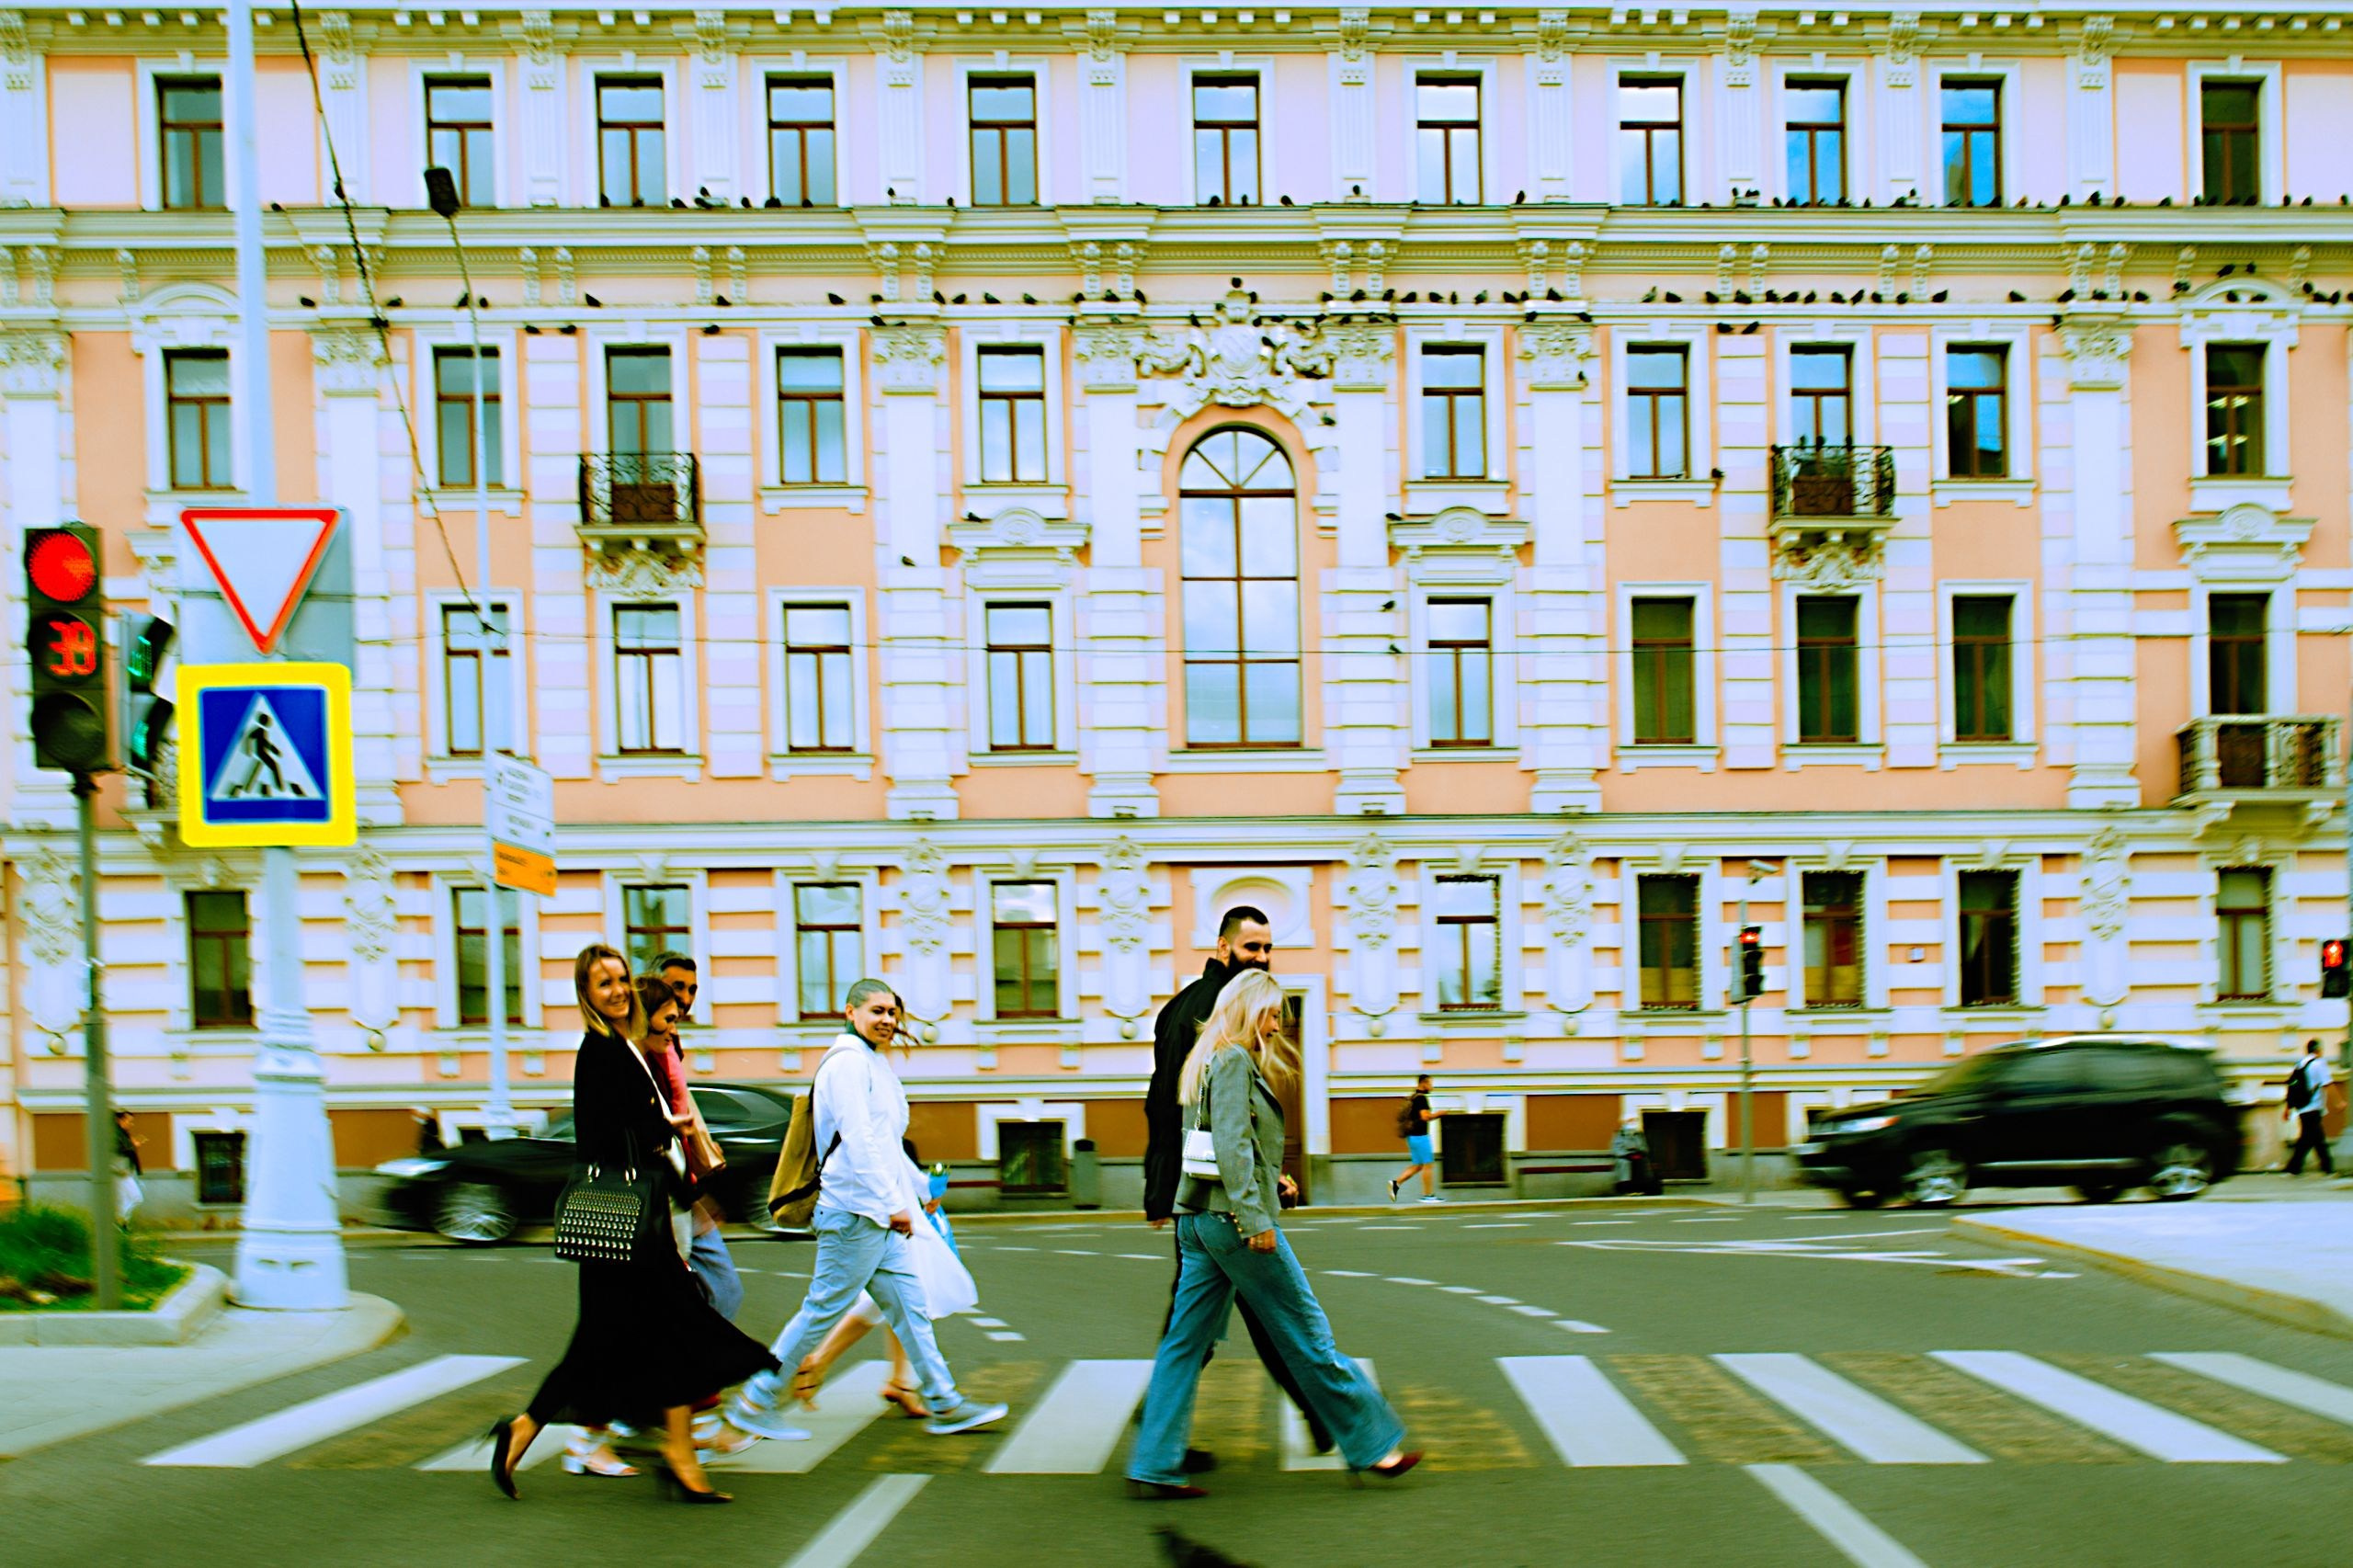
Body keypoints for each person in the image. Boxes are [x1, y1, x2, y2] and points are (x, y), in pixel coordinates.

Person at [487, 945, 779, 1505]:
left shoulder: (624, 1045)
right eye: (604, 984)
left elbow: (639, 1126)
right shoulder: (598, 1050)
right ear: (586, 995)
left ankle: (530, 1433)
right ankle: (675, 1455)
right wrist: (665, 1124)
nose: (619, 990)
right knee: (673, 1323)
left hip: (634, 1220)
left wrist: (665, 1135)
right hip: (622, 1222)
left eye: (622, 979)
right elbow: (605, 1136)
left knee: (630, 1337)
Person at [1127, 970, 1419, 1499]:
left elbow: (1218, 1142)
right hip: (1232, 1224)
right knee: (1308, 1332)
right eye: (1270, 1013)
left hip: (1197, 1218)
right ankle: (1375, 1445)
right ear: (1247, 1010)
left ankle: (1153, 1464)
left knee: (1183, 1347)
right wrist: (1255, 1217)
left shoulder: (1206, 1056)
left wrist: (1271, 1177)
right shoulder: (1235, 1059)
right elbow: (1233, 1145)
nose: (1277, 1025)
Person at [729, 980, 1006, 1440]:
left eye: (893, 1013)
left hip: (875, 1214)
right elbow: (857, 1140)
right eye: (877, 1010)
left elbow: (886, 1145)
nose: (888, 1021)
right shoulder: (846, 1064)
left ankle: (944, 1402)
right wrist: (894, 1203)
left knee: (910, 1310)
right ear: (850, 1011)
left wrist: (919, 1187)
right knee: (821, 1309)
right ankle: (755, 1402)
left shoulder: (874, 1064)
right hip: (854, 1212)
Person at [1142, 906, 1330, 1462]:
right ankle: (1326, 1413)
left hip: (1203, 1193)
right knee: (1265, 1313)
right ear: (1223, 949)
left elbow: (1184, 1110)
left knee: (1202, 1324)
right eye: (1252, 949)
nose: (1264, 958)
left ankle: (1157, 1436)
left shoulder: (1189, 1007)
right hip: (1216, 1199)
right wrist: (1242, 1196)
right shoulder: (1214, 1013)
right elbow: (1193, 1112)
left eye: (1269, 948)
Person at [790, 1133, 976, 1419]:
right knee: (874, 1300)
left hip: (878, 1218)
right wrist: (934, 1187)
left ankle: (900, 1380)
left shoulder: (872, 1132)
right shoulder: (878, 1132)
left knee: (902, 1301)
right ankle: (775, 1388)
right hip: (890, 1223)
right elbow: (921, 1189)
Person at [648, 951, 745, 1324]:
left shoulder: (670, 1042)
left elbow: (680, 1103)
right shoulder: (647, 1048)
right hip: (665, 1193)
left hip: (682, 1187)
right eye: (678, 988)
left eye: (692, 989)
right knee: (715, 1290)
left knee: (720, 1290)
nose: (687, 1000)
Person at [2284, 1040, 2336, 1177]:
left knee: (2308, 1138)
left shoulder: (2300, 1064)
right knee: (2316, 1138)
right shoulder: (2319, 1064)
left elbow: (2291, 1087)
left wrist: (2288, 1108)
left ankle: (2294, 1167)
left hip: (2302, 1107)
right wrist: (2339, 1102)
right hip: (2313, 1106)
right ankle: (2327, 1167)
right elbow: (2328, 1084)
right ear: (2318, 1050)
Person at [1388, 1074, 1443, 1203]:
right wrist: (1439, 1114)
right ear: (1423, 1083)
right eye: (1430, 1084)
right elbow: (1425, 1117)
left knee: (1418, 1166)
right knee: (1428, 1165)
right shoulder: (1421, 1099)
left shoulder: (1413, 1098)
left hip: (1412, 1137)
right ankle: (1428, 1195)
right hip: (1421, 1137)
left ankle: (1395, 1184)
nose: (1432, 1087)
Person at [1612, 1116, 1663, 1197]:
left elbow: (1644, 1147)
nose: (1632, 1123)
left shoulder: (1639, 1134)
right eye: (1630, 1121)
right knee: (1625, 1165)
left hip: (1638, 1157)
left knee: (1642, 1164)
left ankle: (1641, 1189)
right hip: (1625, 1158)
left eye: (1633, 1121)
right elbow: (1617, 1149)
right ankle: (1627, 1189)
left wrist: (1640, 1152)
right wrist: (1627, 1154)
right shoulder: (1620, 1134)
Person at [111, 1108, 144, 1225]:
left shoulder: (123, 1134)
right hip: (120, 1172)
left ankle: (122, 1224)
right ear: (119, 1120)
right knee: (136, 1198)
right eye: (129, 1121)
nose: (131, 1124)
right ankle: (119, 1220)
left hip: (124, 1171)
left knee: (124, 1201)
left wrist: (133, 1145)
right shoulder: (115, 1135)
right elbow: (117, 1150)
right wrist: (133, 1145)